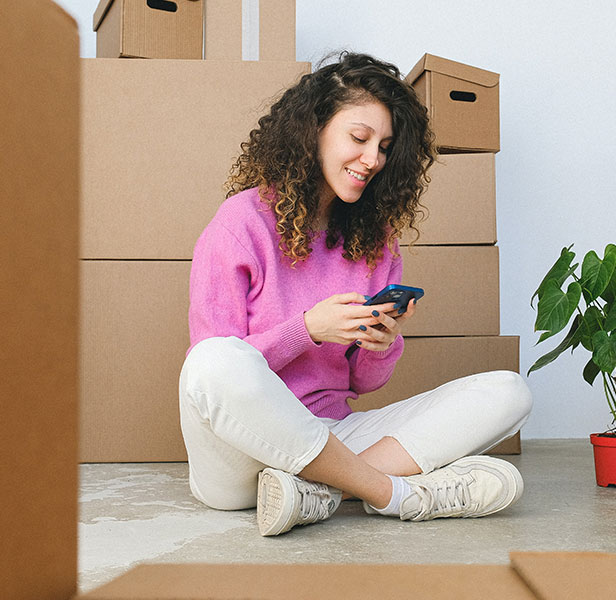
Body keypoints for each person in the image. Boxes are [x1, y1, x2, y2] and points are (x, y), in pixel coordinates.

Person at [178, 52, 533, 537]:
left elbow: (363, 386)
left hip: (334, 434)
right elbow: (217, 370)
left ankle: (317, 492)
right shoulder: (242, 223)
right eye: (360, 138)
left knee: (508, 392)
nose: (373, 160)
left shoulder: (375, 239)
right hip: (241, 455)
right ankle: (394, 493)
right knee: (212, 361)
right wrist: (306, 330)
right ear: (313, 131)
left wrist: (381, 344)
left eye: (385, 146)